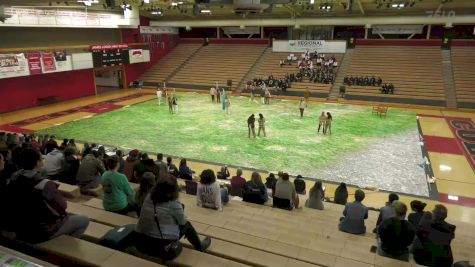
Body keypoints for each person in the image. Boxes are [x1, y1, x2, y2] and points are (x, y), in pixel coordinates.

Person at [2, 148, 89, 243]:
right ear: (37, 162)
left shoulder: (13, 177)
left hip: (18, 227)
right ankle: (66, 246)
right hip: (38, 231)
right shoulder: (44, 184)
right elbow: (63, 206)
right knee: (83, 220)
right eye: (40, 159)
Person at [134, 177, 211, 258]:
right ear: (173, 191)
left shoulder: (148, 197)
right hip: (161, 246)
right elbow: (182, 222)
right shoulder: (174, 204)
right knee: (187, 226)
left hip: (142, 241)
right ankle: (200, 246)